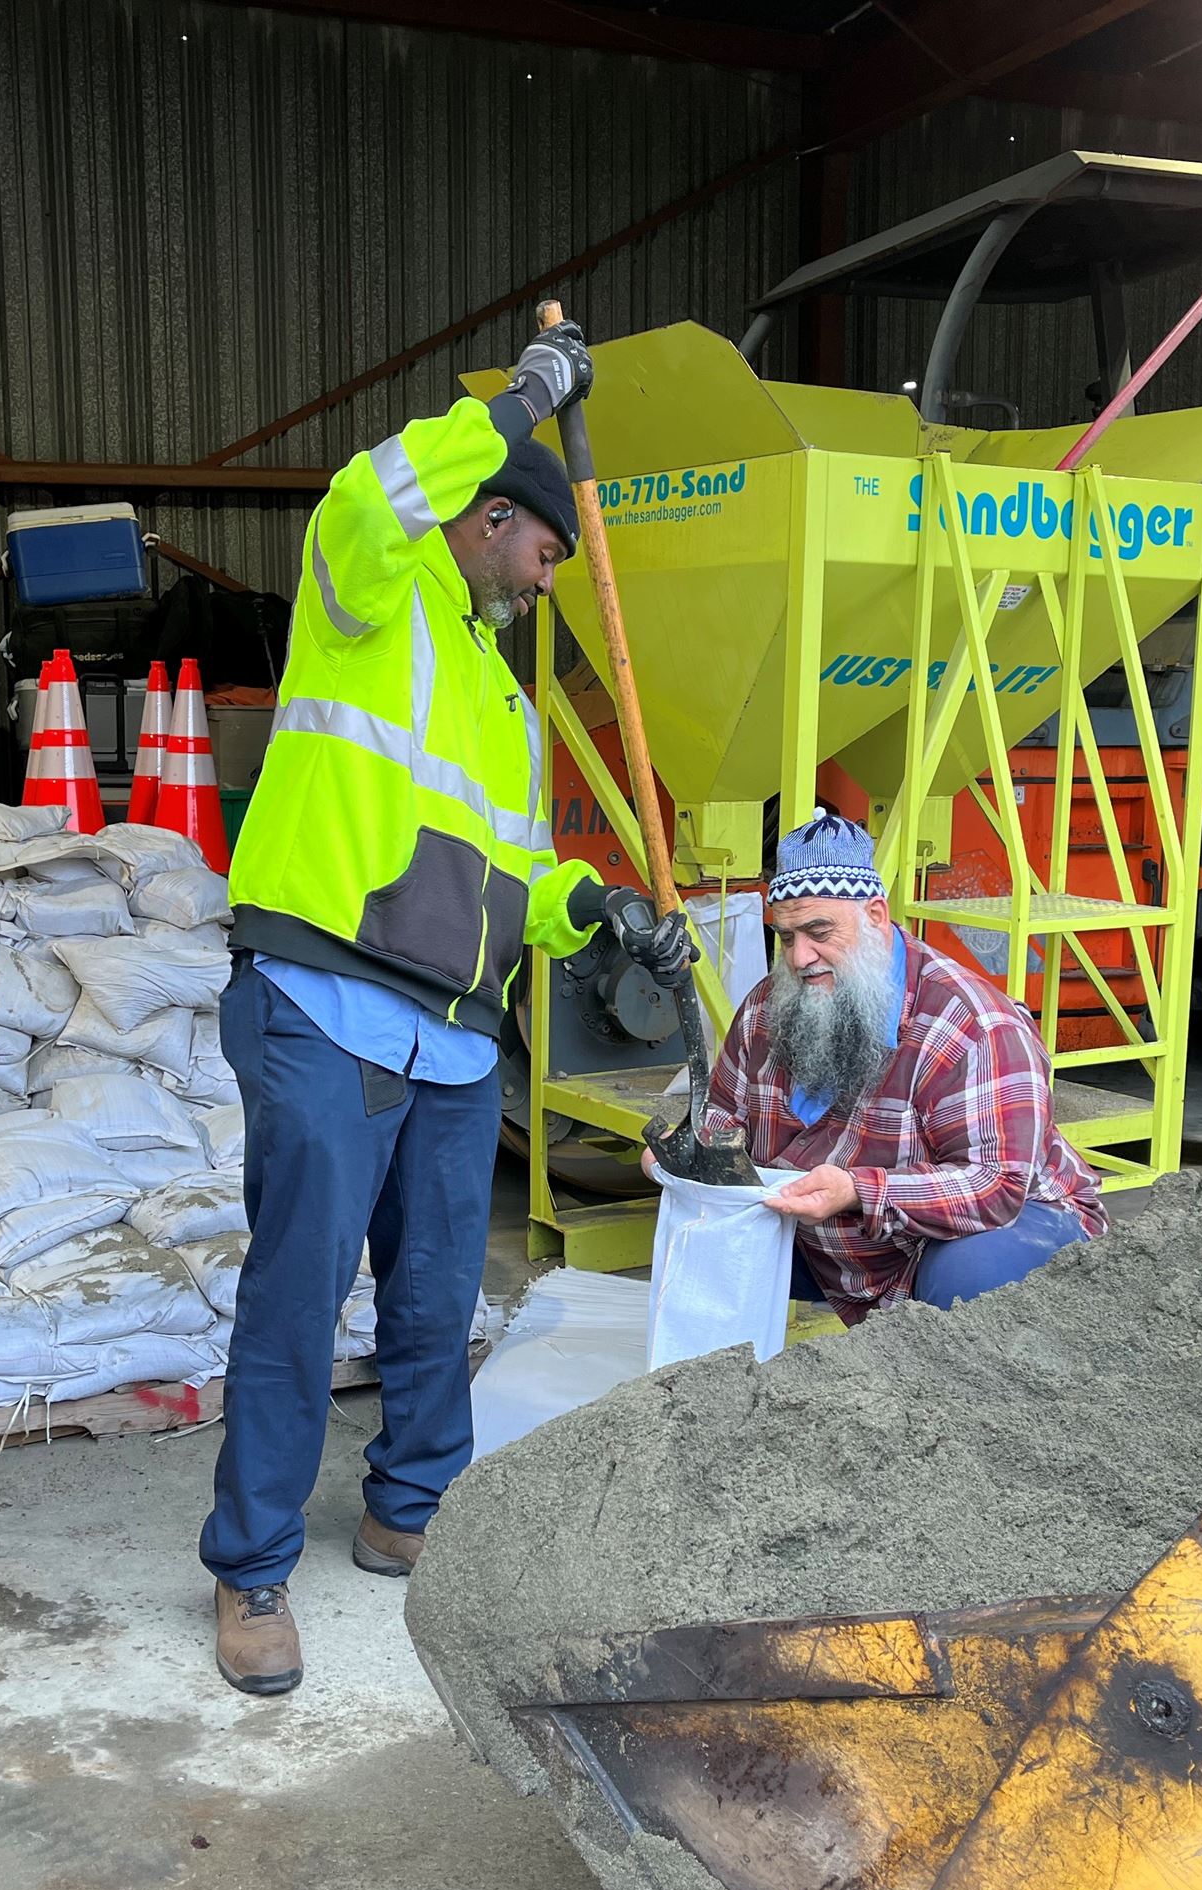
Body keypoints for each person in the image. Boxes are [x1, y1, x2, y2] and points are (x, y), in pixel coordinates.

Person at [206, 321, 690, 1695]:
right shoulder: (371, 584)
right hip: (327, 995)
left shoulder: (500, 692)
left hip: (454, 1031)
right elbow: (374, 488)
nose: (546, 587)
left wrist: (591, 906)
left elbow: (511, 863)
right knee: (299, 1293)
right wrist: (528, 399)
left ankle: (409, 1507)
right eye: (544, 558)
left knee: (435, 1290)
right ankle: (250, 1568)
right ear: (491, 521)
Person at [700, 811, 1104, 1323]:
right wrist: (690, 1157)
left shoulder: (973, 1024)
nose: (800, 957)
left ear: (874, 915)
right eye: (785, 937)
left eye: (818, 931)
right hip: (841, 1239)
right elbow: (722, 1117)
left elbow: (995, 1185)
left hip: (989, 1230)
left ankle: (960, 1391)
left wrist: (858, 1191)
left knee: (969, 1277)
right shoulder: (767, 1007)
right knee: (710, 1227)